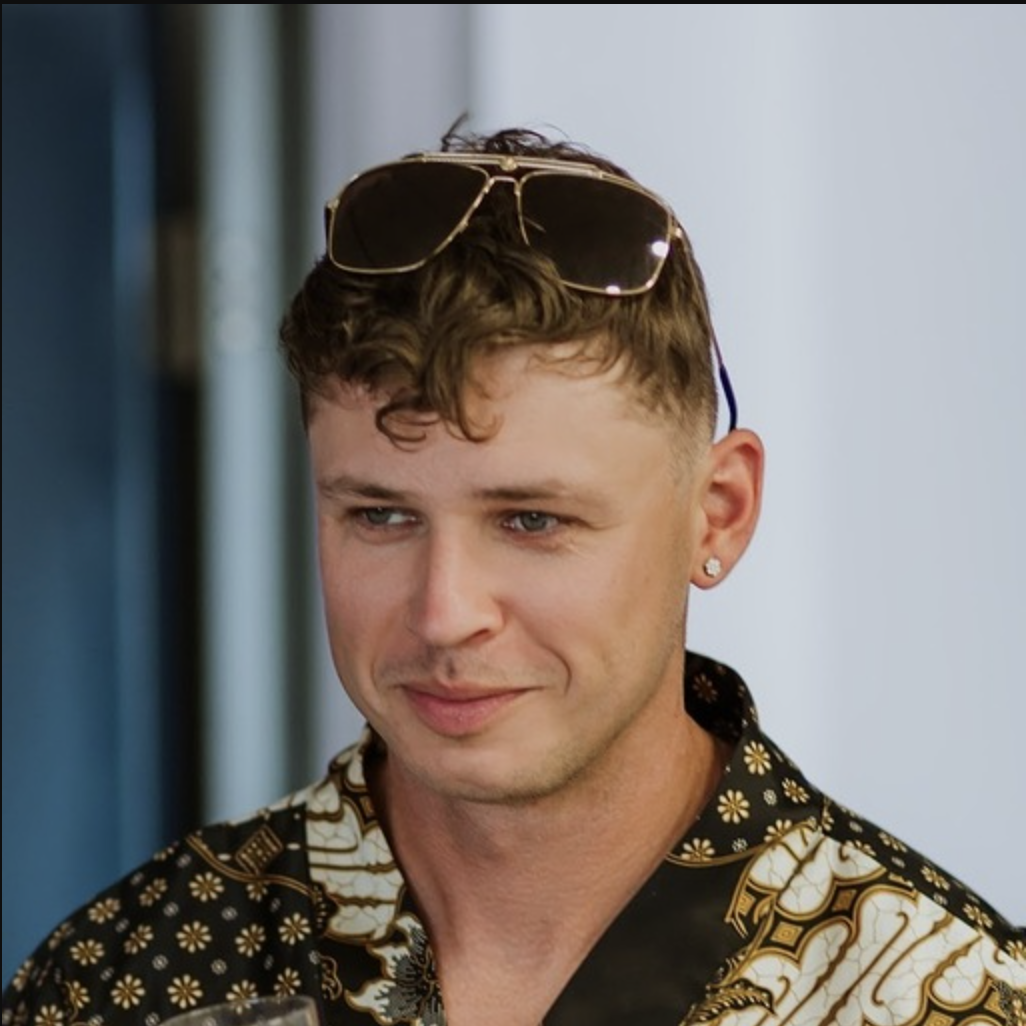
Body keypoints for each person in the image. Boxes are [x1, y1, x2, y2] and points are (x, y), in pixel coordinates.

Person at [3, 125, 1023, 1026]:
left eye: (533, 521)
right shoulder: (121, 984)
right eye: (381, 515)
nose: (445, 613)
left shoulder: (947, 997)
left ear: (718, 513)